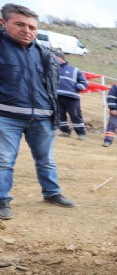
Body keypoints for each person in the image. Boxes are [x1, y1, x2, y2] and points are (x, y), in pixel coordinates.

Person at [0, 3, 76, 221]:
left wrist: (53, 114)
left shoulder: (44, 53)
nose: (27, 31)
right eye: (20, 24)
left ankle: (52, 193)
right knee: (4, 161)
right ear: (4, 23)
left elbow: (51, 86)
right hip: (6, 116)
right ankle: (2, 199)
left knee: (46, 160)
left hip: (42, 117)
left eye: (32, 27)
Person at [53, 51, 88, 141]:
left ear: (60, 58)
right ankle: (65, 131)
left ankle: (81, 133)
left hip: (72, 97)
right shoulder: (52, 69)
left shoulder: (75, 70)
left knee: (75, 115)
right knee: (60, 115)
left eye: (54, 57)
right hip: (57, 96)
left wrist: (77, 87)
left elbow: (84, 82)